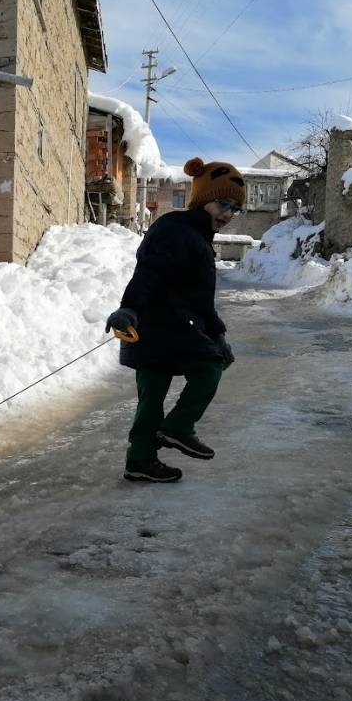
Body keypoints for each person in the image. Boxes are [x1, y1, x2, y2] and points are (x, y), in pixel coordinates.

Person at [105, 157, 242, 483]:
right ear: (202, 198)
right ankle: (179, 427)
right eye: (222, 203)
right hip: (161, 326)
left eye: (234, 209)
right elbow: (148, 273)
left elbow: (200, 302)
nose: (227, 214)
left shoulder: (198, 238)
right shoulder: (175, 230)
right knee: (208, 369)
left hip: (166, 328)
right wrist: (129, 308)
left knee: (151, 396)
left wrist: (218, 334)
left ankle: (139, 460)